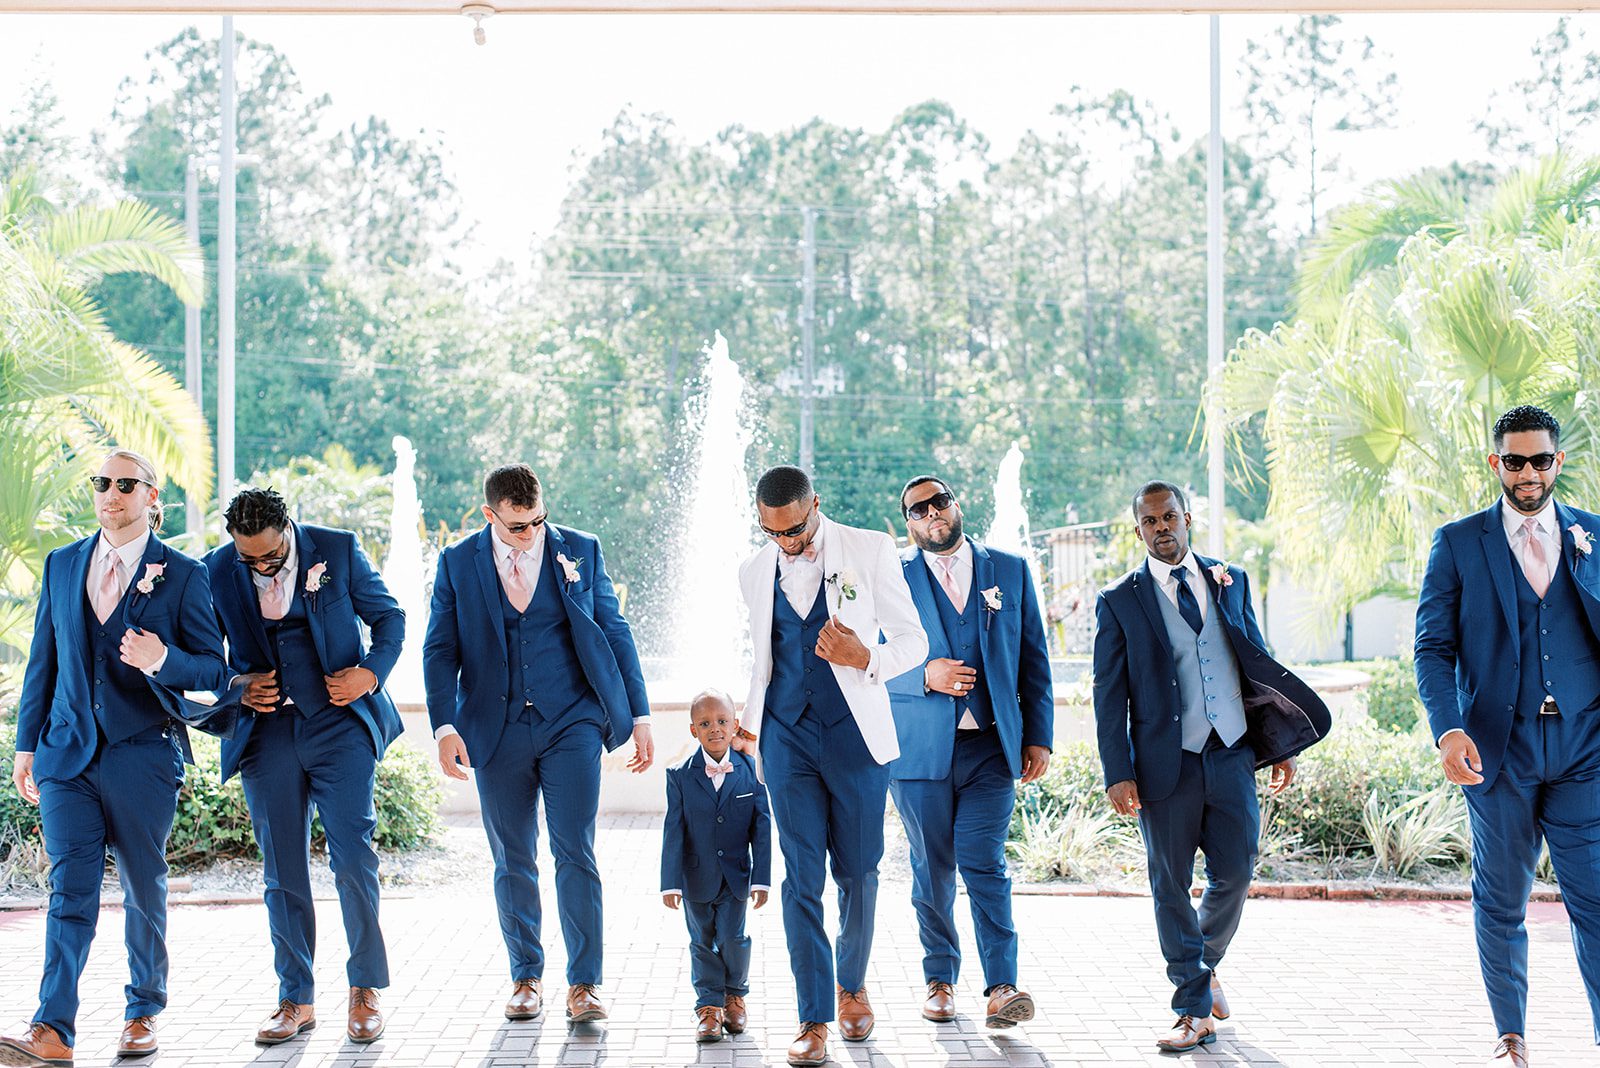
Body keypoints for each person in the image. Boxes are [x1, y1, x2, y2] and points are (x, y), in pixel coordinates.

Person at [1, 450, 229, 1065]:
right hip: (65, 757)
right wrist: (27, 745)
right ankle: (52, 1029)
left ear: (153, 497)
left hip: (142, 755)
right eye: (102, 483)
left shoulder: (183, 574)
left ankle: (142, 1010)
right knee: (68, 888)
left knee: (141, 884)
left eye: (126, 484)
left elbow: (213, 669)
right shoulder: (63, 563)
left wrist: (162, 659)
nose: (111, 493)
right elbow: (42, 662)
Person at [1092, 479, 1329, 1053]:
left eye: (1169, 516)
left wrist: (1282, 744)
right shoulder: (1119, 599)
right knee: (1170, 885)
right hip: (1163, 765)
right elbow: (1108, 693)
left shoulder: (1231, 579)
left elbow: (1256, 662)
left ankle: (1201, 965)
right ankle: (1193, 1009)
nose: (1161, 528)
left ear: (1188, 517)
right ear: (1139, 530)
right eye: (1149, 522)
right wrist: (1117, 772)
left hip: (1232, 752)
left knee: (1239, 867)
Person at [422, 463, 653, 1024]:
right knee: (513, 856)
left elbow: (614, 631)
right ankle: (526, 977)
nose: (532, 532)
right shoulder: (457, 564)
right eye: (519, 525)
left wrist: (640, 713)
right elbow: (439, 650)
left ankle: (585, 985)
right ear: (490, 516)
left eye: (538, 520)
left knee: (575, 849)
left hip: (570, 720)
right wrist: (444, 725)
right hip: (494, 730)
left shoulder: (582, 549)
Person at [1414, 404, 1600, 1068]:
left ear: (1558, 461)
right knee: (1501, 900)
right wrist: (1448, 730)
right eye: (1515, 460)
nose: (1529, 472)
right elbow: (1432, 648)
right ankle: (1511, 1038)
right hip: (1498, 750)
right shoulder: (1460, 542)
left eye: (1541, 459)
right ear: (1496, 463)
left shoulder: (1595, 535)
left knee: (1596, 901)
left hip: (1586, 750)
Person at [734, 465, 928, 1067]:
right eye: (773, 533)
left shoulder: (869, 549)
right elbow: (763, 659)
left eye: (794, 530)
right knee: (800, 879)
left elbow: (915, 642)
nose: (786, 543)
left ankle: (852, 986)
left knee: (860, 872)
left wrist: (864, 655)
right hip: (786, 738)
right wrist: (748, 720)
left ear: (815, 505)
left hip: (855, 739)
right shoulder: (753, 570)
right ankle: (812, 1016)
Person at [204, 487, 405, 1045]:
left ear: (287, 529)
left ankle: (365, 987)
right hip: (266, 735)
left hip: (339, 727)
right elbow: (202, 655)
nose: (260, 569)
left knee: (353, 858)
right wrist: (236, 687)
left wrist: (369, 674)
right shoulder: (218, 570)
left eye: (270, 558)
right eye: (249, 561)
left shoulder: (336, 551)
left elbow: (390, 620)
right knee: (281, 870)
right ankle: (295, 997)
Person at [885, 475, 1053, 1028]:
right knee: (931, 869)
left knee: (984, 860)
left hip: (989, 748)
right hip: (917, 752)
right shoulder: (892, 576)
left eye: (940, 502)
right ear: (908, 521)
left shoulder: (1008, 568)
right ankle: (939, 978)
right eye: (918, 509)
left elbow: (1034, 660)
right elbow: (863, 662)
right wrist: (923, 674)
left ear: (956, 506)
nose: (932, 513)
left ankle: (1003, 987)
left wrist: (1038, 736)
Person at [660, 689, 772, 1043]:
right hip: (695, 878)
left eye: (723, 721)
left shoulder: (751, 770)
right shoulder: (679, 775)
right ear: (693, 730)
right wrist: (670, 883)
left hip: (737, 877)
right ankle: (708, 1006)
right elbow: (673, 829)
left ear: (735, 724)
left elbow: (763, 827)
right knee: (701, 941)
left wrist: (762, 879)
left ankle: (734, 995)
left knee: (733, 938)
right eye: (705, 723)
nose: (715, 729)